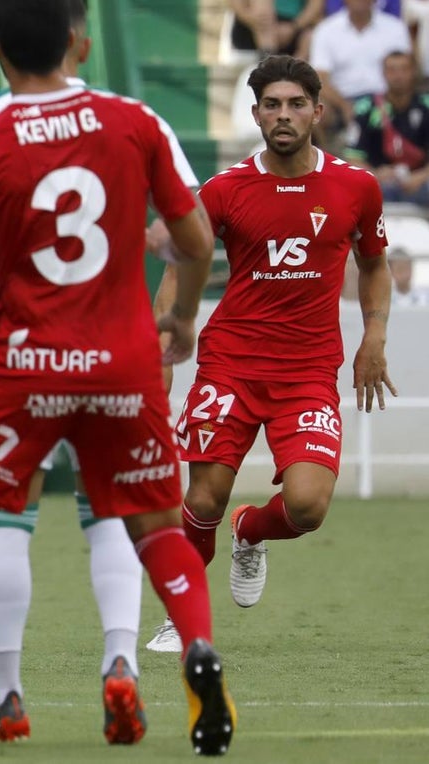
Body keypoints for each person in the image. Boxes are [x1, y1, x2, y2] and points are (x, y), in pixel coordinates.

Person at [0, 0, 235, 755]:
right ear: (79, 41)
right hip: (122, 363)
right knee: (146, 518)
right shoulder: (134, 121)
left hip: (21, 366)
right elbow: (195, 239)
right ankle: (191, 651)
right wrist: (179, 318)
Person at [145, 55, 397, 654]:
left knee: (308, 506)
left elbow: (375, 263)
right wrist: (165, 338)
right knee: (203, 497)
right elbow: (179, 265)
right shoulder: (226, 190)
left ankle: (250, 533)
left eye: (295, 104)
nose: (283, 116)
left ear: (316, 110)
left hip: (309, 370)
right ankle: (181, 616)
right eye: (271, 105)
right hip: (231, 362)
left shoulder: (356, 186)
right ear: (256, 113)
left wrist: (375, 336)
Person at [308, 0, 411, 146]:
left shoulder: (395, 27)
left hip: (387, 99)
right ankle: (326, 159)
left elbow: (405, 70)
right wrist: (344, 105)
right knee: (315, 111)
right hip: (342, 100)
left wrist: (385, 102)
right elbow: (320, 77)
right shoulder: (326, 29)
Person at [344, 51, 429, 205]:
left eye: (404, 69)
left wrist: (420, 177)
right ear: (383, 73)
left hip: (421, 182)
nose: (398, 76)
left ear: (413, 72)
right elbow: (353, 157)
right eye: (392, 70)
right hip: (380, 181)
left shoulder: (426, 106)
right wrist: (376, 174)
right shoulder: (366, 108)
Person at [230, 0, 325, 57]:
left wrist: (293, 27)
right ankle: (267, 59)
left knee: (312, 32)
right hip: (254, 27)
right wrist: (251, 20)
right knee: (262, 5)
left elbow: (315, 6)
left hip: (295, 26)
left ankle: (295, 73)